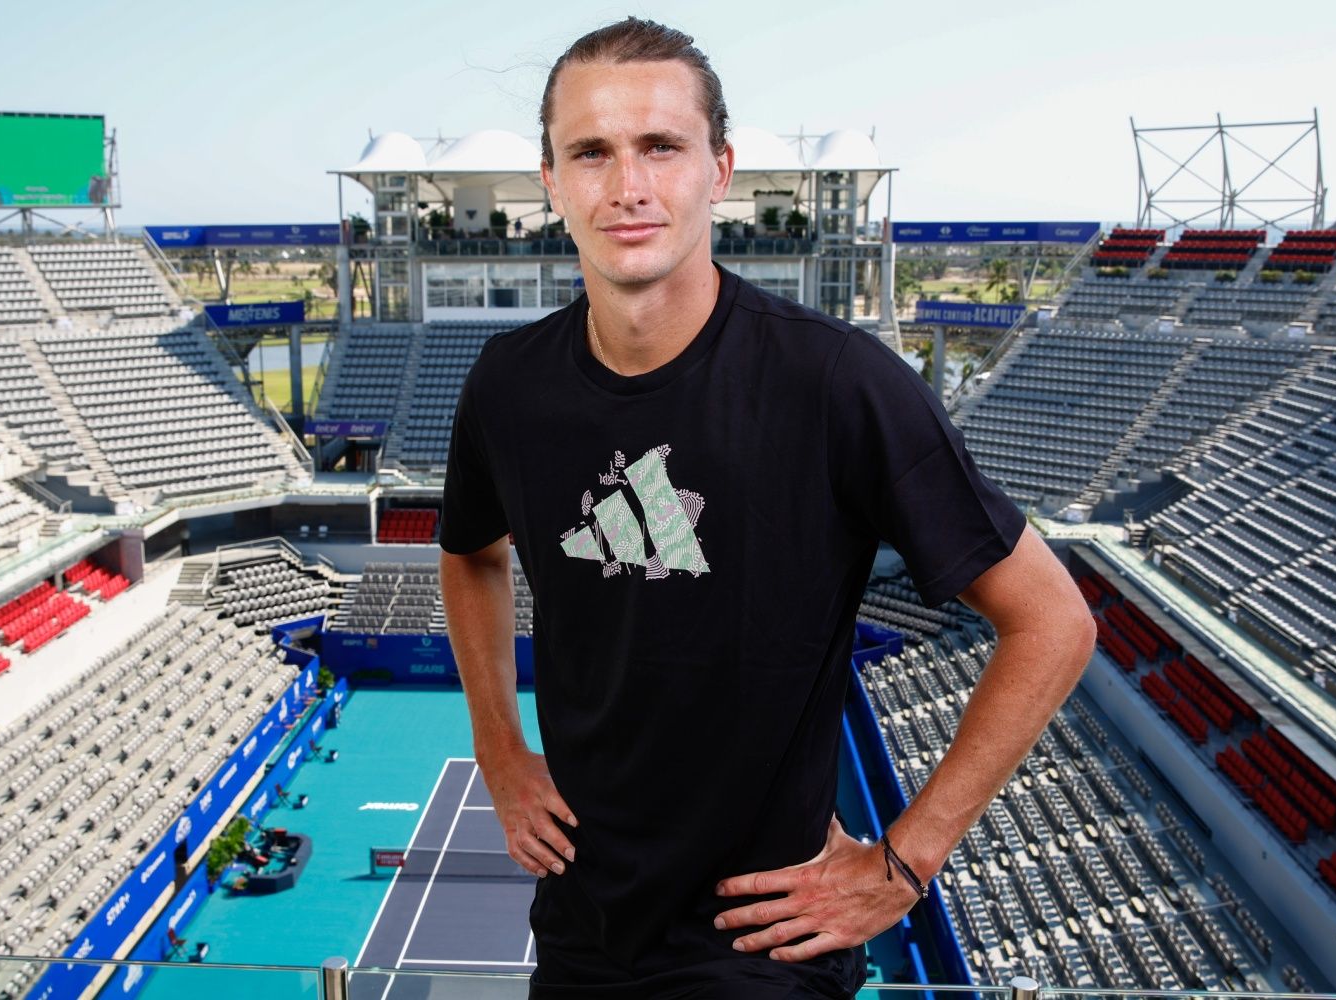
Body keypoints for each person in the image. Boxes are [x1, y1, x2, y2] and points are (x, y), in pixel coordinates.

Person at [436, 17, 1095, 999]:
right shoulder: (508, 384)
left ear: (720, 170)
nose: (627, 185)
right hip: (581, 928)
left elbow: (1052, 620)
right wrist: (498, 746)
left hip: (765, 944)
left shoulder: (838, 383)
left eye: (661, 146)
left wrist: (904, 861)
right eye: (592, 152)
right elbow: (468, 552)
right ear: (551, 182)